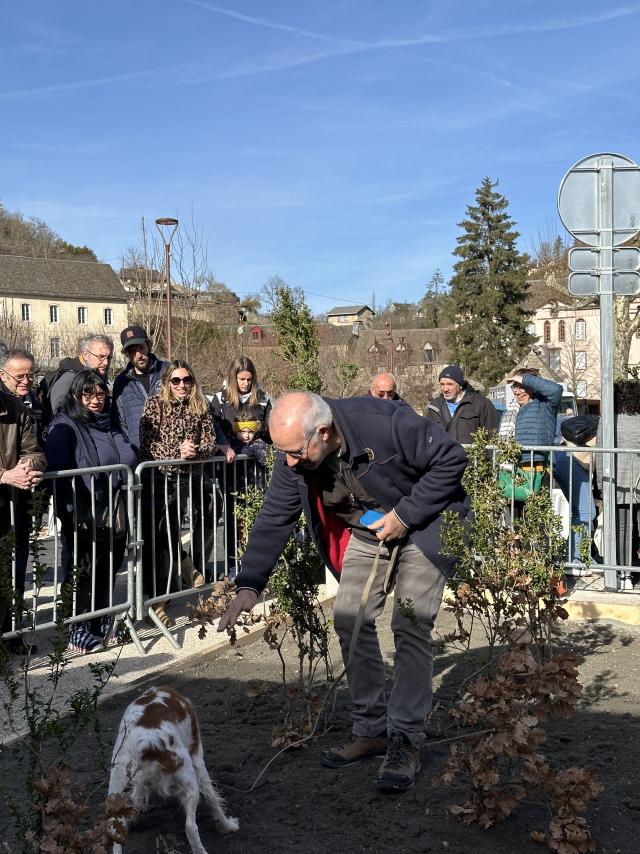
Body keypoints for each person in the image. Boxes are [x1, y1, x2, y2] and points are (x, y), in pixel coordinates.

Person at [218, 391, 468, 792]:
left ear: (324, 432)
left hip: (425, 522)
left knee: (410, 623)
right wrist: (250, 583)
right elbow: (274, 517)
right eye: (283, 453)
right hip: (368, 529)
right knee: (349, 617)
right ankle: (371, 728)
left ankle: (405, 740)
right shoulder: (295, 457)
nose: (289, 462)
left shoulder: (383, 421)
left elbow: (452, 458)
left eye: (296, 452)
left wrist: (405, 515)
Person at [45, 370, 136, 654]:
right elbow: (56, 473)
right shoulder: (65, 425)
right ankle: (74, 627)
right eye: (88, 394)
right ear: (75, 395)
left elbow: (128, 456)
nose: (95, 400)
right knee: (82, 569)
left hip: (115, 507)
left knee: (109, 565)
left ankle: (99, 620)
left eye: (100, 394)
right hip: (83, 511)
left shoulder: (110, 423)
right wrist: (69, 511)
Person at [139, 359, 217, 626]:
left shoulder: (200, 405)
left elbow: (210, 440)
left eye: (187, 380)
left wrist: (196, 451)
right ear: (167, 383)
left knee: (168, 537)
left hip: (186, 479)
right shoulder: (154, 404)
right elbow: (147, 442)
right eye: (176, 380)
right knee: (161, 539)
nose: (182, 385)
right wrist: (177, 453)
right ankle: (159, 598)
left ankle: (164, 595)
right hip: (157, 479)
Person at [0, 384, 45, 652]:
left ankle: (9, 638)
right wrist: (4, 475)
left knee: (9, 578)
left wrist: (29, 467)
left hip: (8, 511)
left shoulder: (15, 407)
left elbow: (35, 450)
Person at [112, 325, 169, 454]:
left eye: (141, 348)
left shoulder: (168, 371)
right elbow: (119, 420)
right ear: (126, 354)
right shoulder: (121, 382)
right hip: (140, 457)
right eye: (132, 351)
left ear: (148, 346)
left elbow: (195, 404)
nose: (138, 355)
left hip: (172, 454)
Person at [210, 356, 272, 459]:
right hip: (229, 463)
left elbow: (272, 435)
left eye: (249, 379)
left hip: (256, 465)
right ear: (233, 378)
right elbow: (213, 429)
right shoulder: (220, 399)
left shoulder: (263, 399)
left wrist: (262, 427)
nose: (246, 383)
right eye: (242, 379)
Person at [43, 333, 114, 418]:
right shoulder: (69, 378)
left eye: (109, 357)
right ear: (86, 355)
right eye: (101, 357)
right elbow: (59, 415)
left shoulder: (99, 377)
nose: (106, 362)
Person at [426, 365, 499, 444]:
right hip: (442, 456)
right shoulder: (434, 407)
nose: (445, 389)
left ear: (460, 385)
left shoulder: (481, 404)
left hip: (471, 455)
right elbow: (426, 437)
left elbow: (493, 436)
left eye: (450, 384)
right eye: (442, 384)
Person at [0, 348, 45, 445]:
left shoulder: (37, 404)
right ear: (3, 375)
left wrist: (34, 459)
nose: (26, 381)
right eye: (19, 377)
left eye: (30, 376)